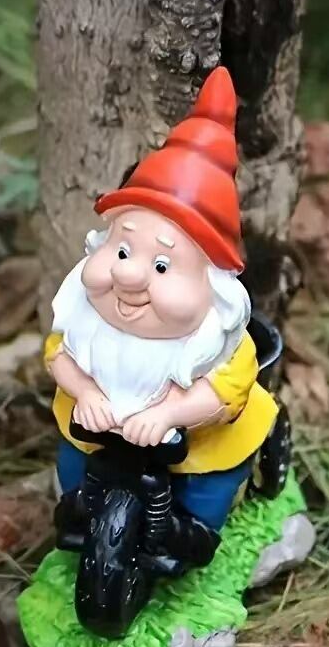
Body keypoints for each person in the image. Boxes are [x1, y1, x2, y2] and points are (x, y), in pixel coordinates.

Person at [43, 67, 277, 568]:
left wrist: (170, 414)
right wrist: (86, 392)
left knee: (209, 484)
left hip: (193, 444)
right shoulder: (84, 318)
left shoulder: (220, 344)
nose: (128, 276)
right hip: (97, 428)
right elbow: (58, 355)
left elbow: (223, 393)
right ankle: (76, 510)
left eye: (163, 266)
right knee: (73, 461)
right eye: (122, 250)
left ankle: (192, 533)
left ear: (213, 289)